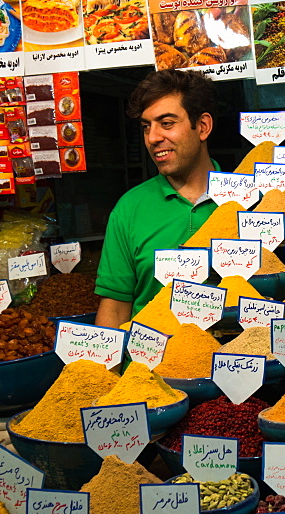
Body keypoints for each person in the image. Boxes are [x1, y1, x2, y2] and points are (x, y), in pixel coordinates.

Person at [95, 69, 220, 328]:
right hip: (148, 366)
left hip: (233, 365)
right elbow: (115, 309)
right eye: (146, 127)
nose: (152, 138)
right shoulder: (129, 209)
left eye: (167, 123)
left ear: (203, 127)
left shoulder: (249, 200)